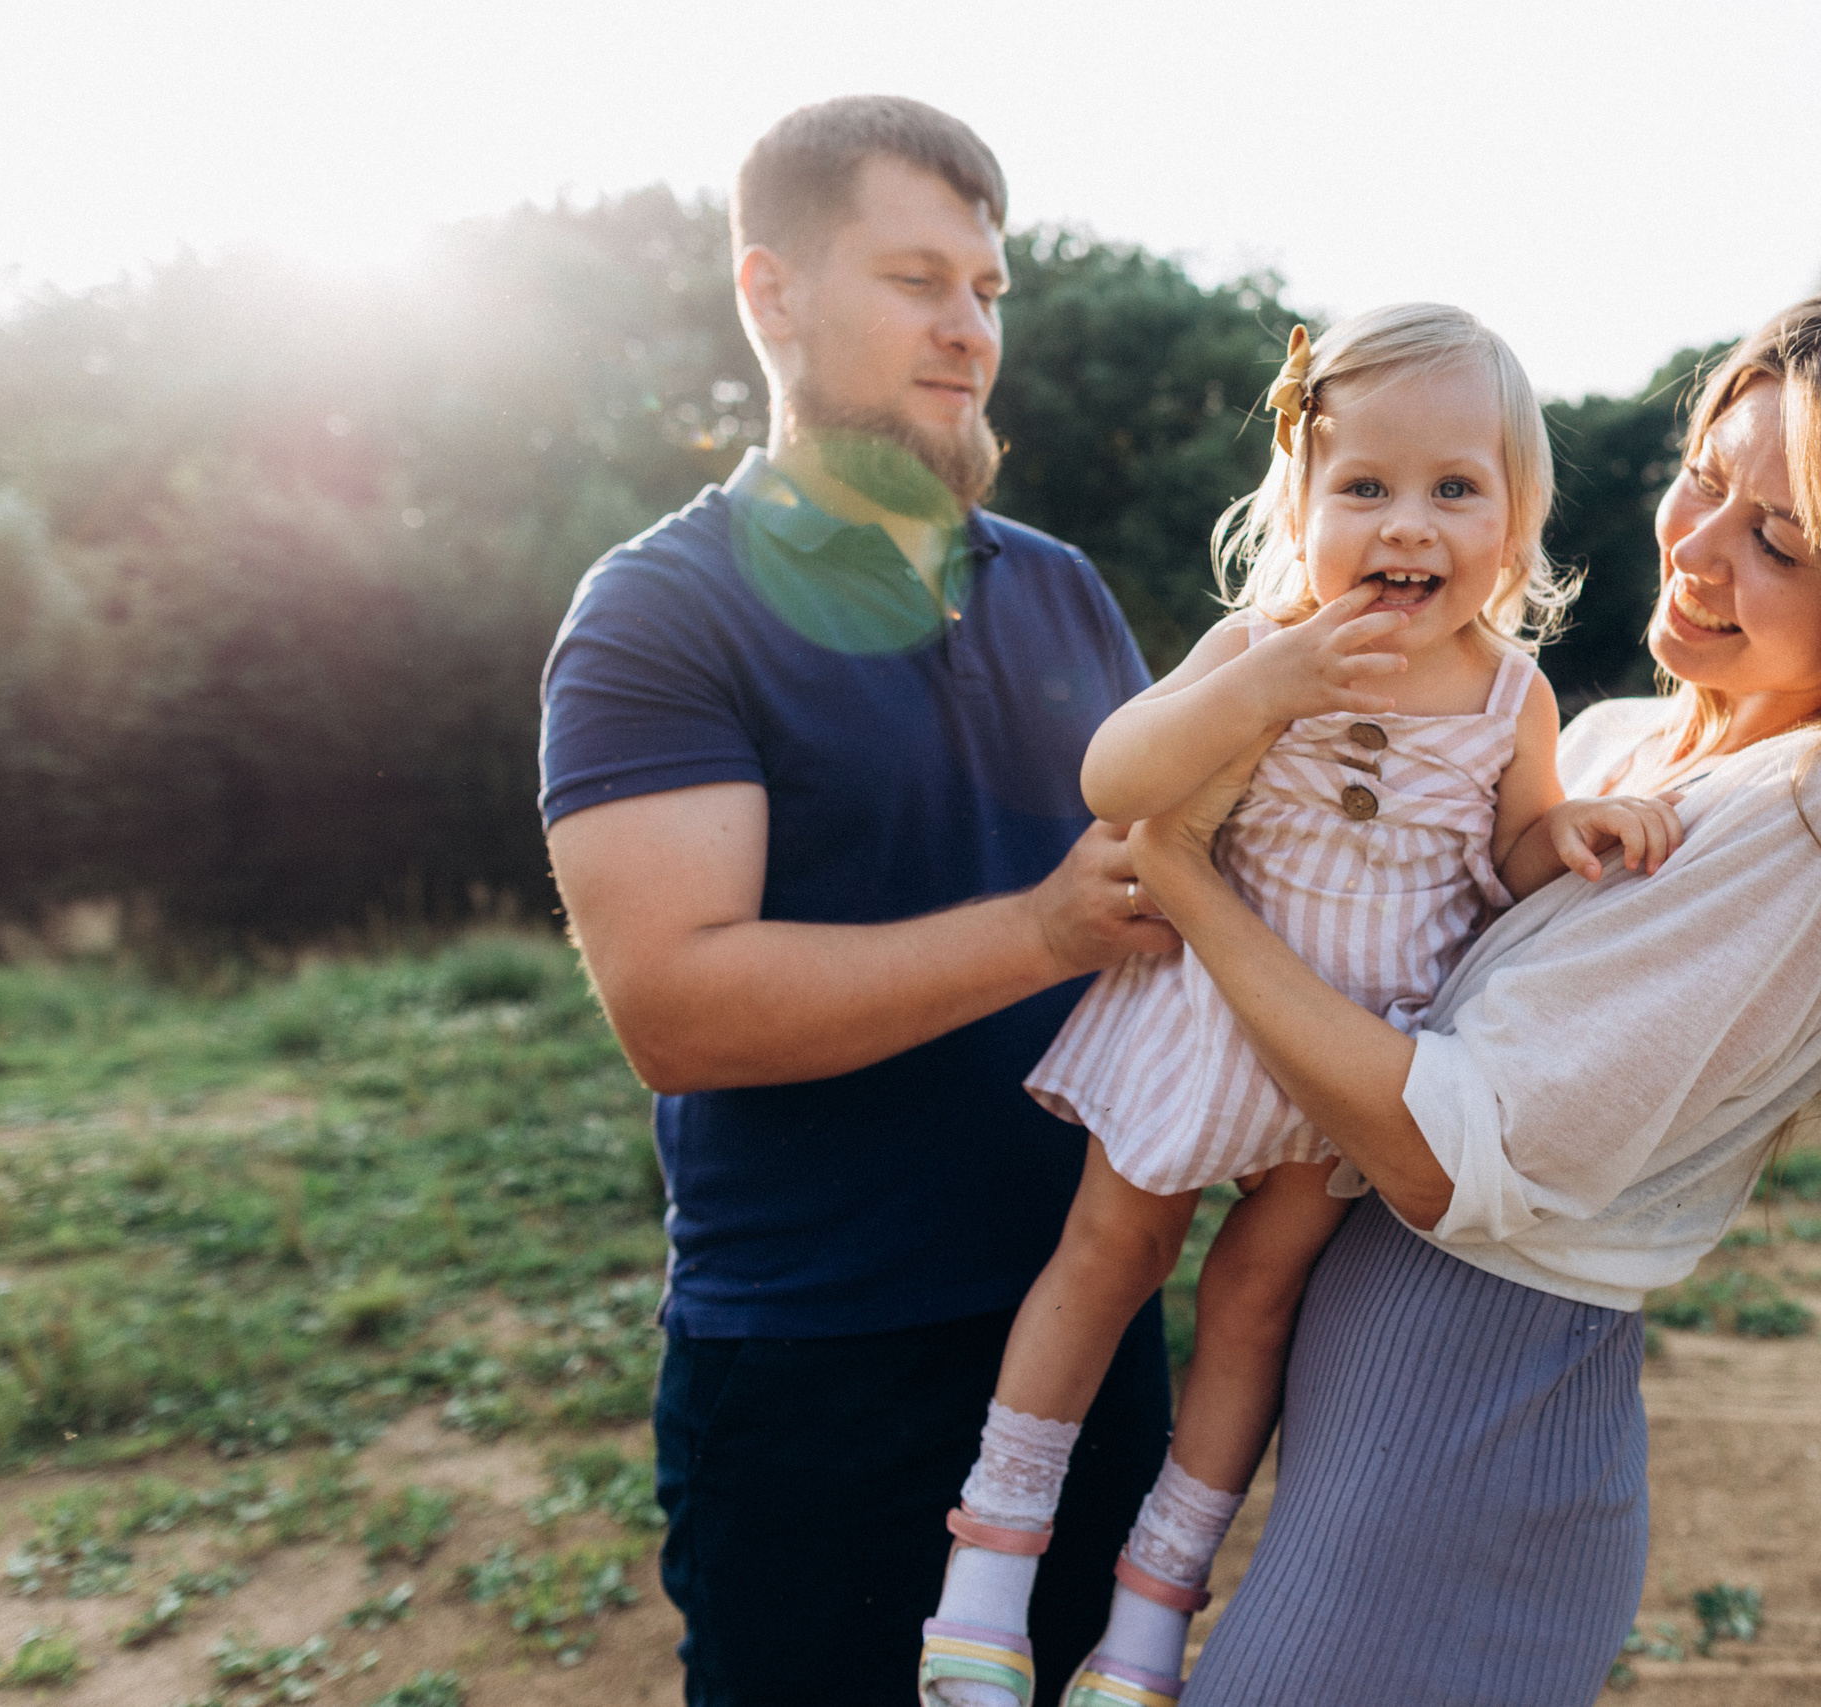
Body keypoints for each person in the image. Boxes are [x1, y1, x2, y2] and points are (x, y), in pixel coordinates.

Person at [1114, 275, 1821, 1704]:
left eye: (1783, 540)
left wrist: (1190, 881)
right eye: (1702, 482)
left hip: (1466, 1449)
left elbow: (1442, 1147)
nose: (1699, 552)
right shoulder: (1624, 741)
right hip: (1361, 1421)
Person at [915, 305, 1681, 1707]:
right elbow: (1115, 777)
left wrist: (1568, 835)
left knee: (1254, 1304)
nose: (1411, 525)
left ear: (1516, 521)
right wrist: (1266, 681)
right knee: (1110, 1254)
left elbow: (1506, 856)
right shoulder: (1260, 639)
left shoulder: (1509, 694)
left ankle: (1149, 1616)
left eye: (1456, 489)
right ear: (1302, 501)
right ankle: (991, 1569)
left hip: (1355, 1056)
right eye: (1366, 487)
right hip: (1208, 1019)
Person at [536, 96, 1178, 1704]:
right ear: (771, 295)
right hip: (819, 1371)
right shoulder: (658, 614)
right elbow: (676, 1007)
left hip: (1085, 1339)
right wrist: (1039, 930)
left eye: (988, 290)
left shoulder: (1065, 587)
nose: (968, 331)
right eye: (916, 281)